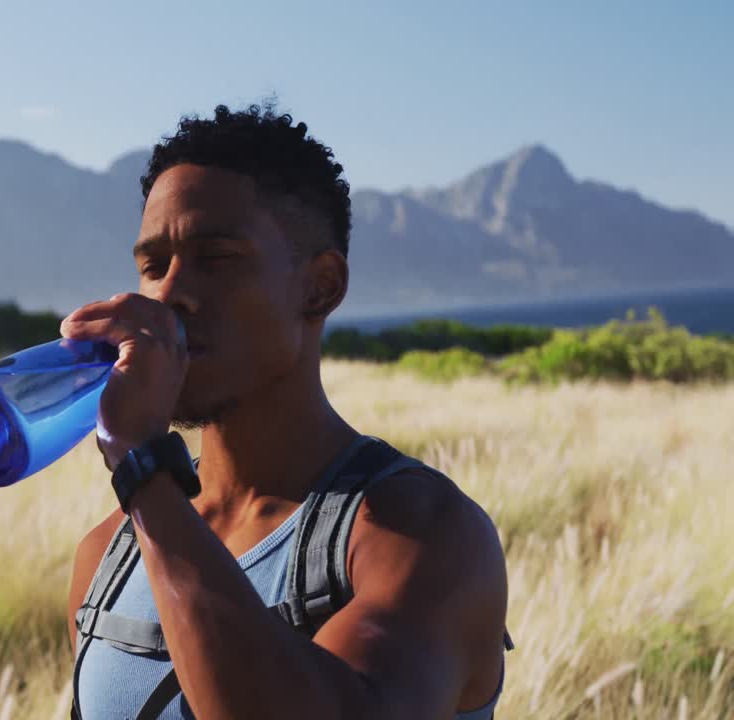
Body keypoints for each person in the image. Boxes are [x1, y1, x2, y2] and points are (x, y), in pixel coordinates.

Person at [60, 102, 511, 719]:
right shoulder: (108, 556)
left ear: (320, 286)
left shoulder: (420, 537)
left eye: (214, 258)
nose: (168, 294)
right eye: (152, 266)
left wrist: (143, 470)